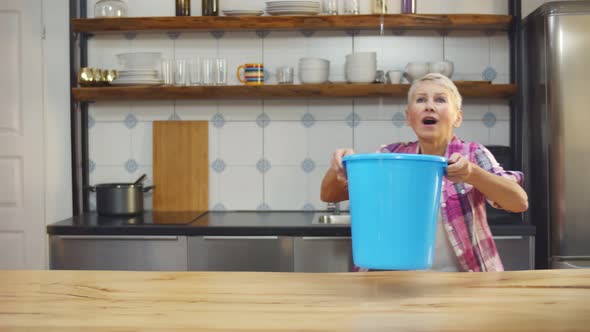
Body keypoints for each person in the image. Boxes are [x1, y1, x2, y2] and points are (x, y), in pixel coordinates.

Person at [320, 73, 528, 272]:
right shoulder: (390, 155)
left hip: (463, 280)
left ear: (458, 118)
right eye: (420, 100)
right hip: (397, 278)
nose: (429, 106)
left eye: (440, 99)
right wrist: (338, 168)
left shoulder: (473, 154)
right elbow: (329, 195)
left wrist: (472, 173)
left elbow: (518, 202)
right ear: (409, 117)